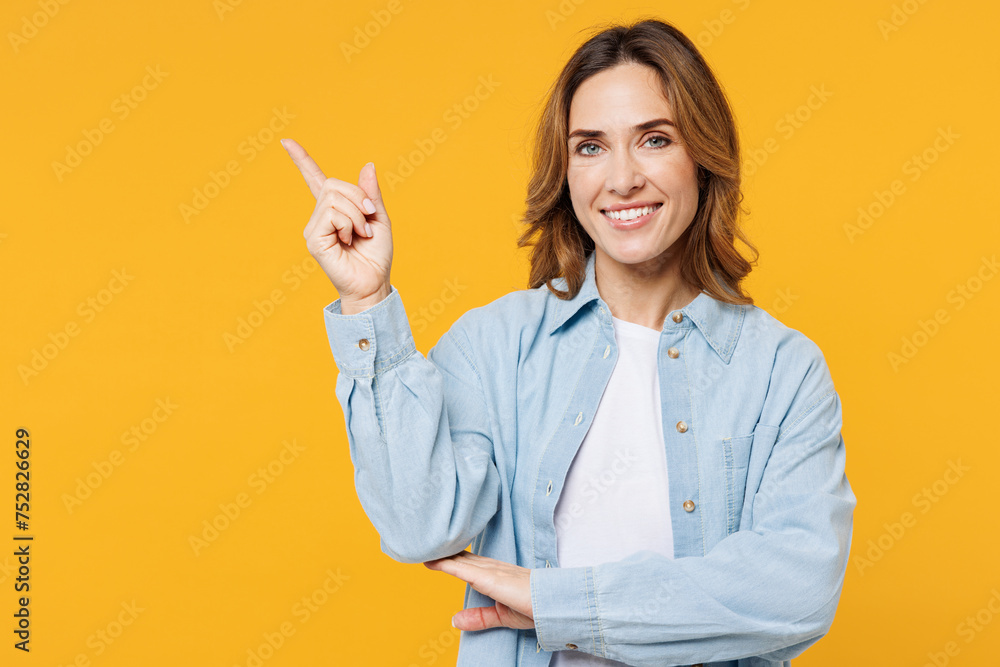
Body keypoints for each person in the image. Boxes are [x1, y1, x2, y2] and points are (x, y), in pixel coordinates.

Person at [281, 17, 855, 667]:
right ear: (566, 171)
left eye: (655, 139)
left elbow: (797, 589)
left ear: (703, 156)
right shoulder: (493, 346)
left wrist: (559, 602)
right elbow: (419, 524)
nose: (622, 178)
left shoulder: (782, 370)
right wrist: (366, 302)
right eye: (591, 147)